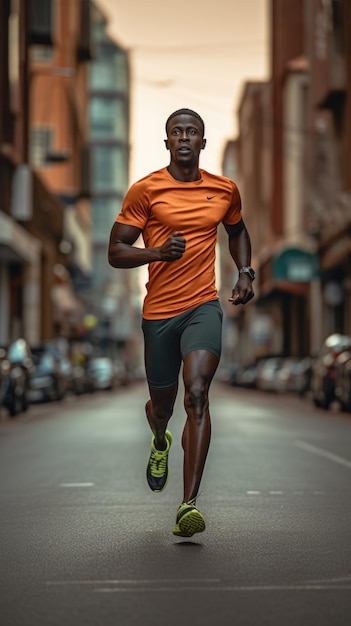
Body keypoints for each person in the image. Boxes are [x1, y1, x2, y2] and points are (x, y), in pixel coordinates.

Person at [108, 108, 255, 538]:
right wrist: (156, 253)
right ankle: (160, 440)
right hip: (158, 315)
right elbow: (116, 251)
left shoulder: (224, 189)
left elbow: (238, 231)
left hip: (203, 307)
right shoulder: (146, 190)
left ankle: (188, 505)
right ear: (167, 141)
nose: (185, 137)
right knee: (163, 408)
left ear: (203, 143)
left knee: (197, 393)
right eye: (177, 132)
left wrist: (245, 273)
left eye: (192, 132)